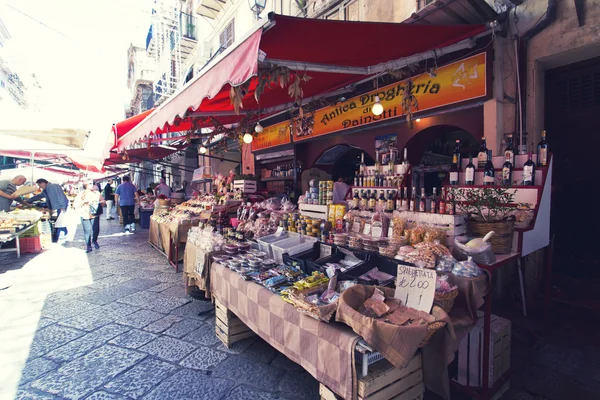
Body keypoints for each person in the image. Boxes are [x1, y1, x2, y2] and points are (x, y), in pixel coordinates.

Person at [74, 181, 105, 253]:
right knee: (87, 230)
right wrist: (84, 202)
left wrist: (100, 202)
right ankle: (88, 245)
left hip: (94, 213)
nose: (92, 185)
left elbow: (103, 200)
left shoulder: (97, 193)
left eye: (92, 184)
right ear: (86, 185)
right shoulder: (81, 194)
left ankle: (94, 240)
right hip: (84, 213)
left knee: (96, 229)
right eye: (90, 184)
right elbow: (76, 205)